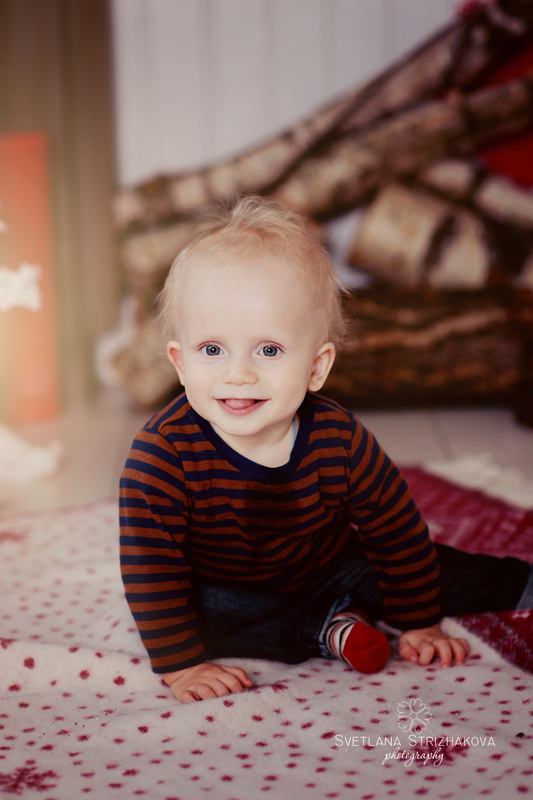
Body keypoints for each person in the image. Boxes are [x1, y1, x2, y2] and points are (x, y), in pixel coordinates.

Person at [119, 195, 532, 704]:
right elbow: (151, 569)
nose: (238, 373)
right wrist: (182, 667)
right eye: (212, 349)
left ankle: (519, 585)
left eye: (269, 350)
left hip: (333, 566)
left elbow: (394, 529)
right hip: (229, 588)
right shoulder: (161, 457)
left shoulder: (337, 437)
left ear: (316, 367)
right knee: (194, 609)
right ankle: (327, 629)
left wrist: (420, 621)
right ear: (181, 364)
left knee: (436, 569)